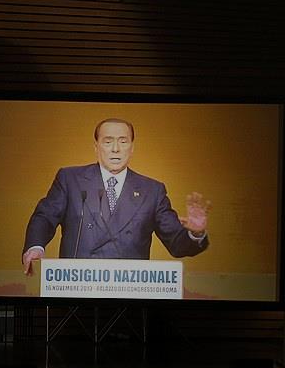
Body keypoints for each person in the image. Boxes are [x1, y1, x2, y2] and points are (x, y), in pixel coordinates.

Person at [22, 118, 211, 276]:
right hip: (77, 287)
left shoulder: (152, 191)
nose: (115, 148)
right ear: (96, 146)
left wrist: (196, 233)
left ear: (132, 147)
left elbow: (177, 244)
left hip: (129, 292)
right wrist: (35, 246)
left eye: (123, 141)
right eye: (107, 141)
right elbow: (45, 217)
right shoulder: (70, 179)